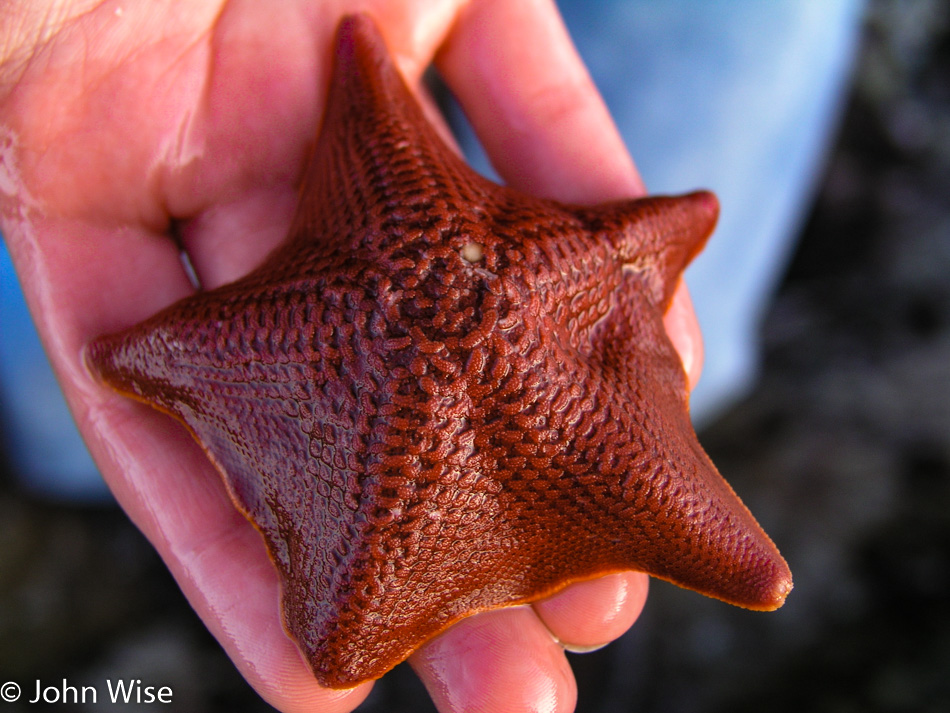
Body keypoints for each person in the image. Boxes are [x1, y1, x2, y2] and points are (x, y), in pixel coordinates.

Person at [0, 2, 707, 711]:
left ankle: (81, 486)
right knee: (79, 421)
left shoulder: (470, 278)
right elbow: (606, 253)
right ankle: (82, 485)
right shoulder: (559, 269)